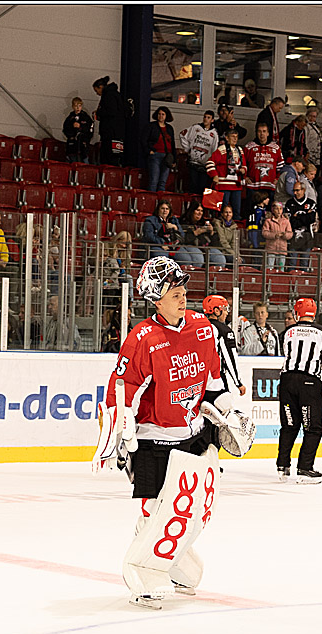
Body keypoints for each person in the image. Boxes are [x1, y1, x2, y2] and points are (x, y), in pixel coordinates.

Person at [91, 256, 230, 609]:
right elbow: (120, 393)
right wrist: (115, 438)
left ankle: (175, 562)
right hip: (154, 440)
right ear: (156, 298)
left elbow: (214, 384)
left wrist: (231, 414)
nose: (182, 298)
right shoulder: (142, 339)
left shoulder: (203, 328)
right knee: (158, 509)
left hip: (196, 434)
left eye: (183, 291)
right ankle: (143, 570)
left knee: (197, 509)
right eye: (174, 293)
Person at [276, 298, 322, 484]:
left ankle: (282, 466)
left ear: (297, 312)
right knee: (313, 427)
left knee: (289, 426)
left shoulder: (288, 332)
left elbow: (284, 353)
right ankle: (305, 468)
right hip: (309, 382)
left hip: (287, 380)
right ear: (314, 312)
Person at [202, 294, 247, 398]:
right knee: (222, 411)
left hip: (198, 381)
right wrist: (238, 382)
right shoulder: (223, 330)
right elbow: (230, 357)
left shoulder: (197, 327)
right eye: (225, 309)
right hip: (216, 380)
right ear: (217, 311)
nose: (227, 312)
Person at [143, 200, 198, 268]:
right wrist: (162, 243)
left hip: (173, 246)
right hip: (157, 245)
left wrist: (175, 227)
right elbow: (149, 236)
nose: (165, 211)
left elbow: (182, 235)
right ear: (158, 210)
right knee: (163, 260)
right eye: (162, 208)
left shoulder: (173, 220)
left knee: (187, 260)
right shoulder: (150, 220)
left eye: (167, 209)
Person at [206, 129, 246, 219]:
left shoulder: (240, 150)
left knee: (236, 212)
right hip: (224, 185)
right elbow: (209, 163)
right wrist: (214, 175)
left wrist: (243, 170)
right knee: (223, 212)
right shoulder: (221, 149)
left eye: (236, 137)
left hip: (236, 185)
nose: (235, 139)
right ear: (227, 138)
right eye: (232, 137)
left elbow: (244, 165)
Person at [178, 110, 218, 196]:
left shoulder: (214, 134)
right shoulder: (196, 127)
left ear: (212, 120)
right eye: (205, 117)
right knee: (192, 186)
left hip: (205, 165)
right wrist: (187, 148)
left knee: (202, 188)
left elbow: (214, 149)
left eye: (208, 118)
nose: (206, 119)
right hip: (193, 163)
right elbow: (182, 135)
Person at [244, 122, 283, 201]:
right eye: (259, 131)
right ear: (256, 133)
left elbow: (281, 165)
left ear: (268, 133)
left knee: (269, 211)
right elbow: (242, 164)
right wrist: (245, 178)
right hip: (253, 186)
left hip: (270, 186)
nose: (262, 134)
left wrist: (277, 178)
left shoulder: (276, 148)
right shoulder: (248, 147)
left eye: (264, 131)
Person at [92, 76, 126, 166]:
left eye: (96, 91)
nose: (97, 94)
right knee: (115, 156)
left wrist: (99, 112)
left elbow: (111, 111)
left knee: (108, 158)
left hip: (110, 132)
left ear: (101, 87)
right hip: (117, 132)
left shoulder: (108, 96)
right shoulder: (116, 94)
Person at [181, 202, 226, 268]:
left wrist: (212, 233)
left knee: (220, 259)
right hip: (190, 246)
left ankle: (213, 277)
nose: (200, 213)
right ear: (192, 211)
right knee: (199, 259)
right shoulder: (184, 222)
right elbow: (183, 239)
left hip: (205, 247)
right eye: (197, 210)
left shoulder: (204, 223)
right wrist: (196, 233)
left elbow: (216, 244)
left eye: (201, 211)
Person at [146, 106, 177, 193]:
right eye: (159, 114)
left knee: (163, 182)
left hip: (167, 157)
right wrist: (149, 151)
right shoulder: (151, 126)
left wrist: (174, 159)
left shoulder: (169, 128)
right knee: (154, 180)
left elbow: (172, 144)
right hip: (155, 155)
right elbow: (144, 140)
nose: (161, 116)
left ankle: (160, 201)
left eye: (163, 114)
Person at [286, 182, 316, 270]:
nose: (295, 193)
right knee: (292, 264)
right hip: (293, 239)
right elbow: (292, 222)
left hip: (307, 238)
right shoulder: (289, 203)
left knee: (304, 264)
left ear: (303, 190)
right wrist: (305, 217)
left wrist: (297, 217)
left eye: (297, 190)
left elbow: (311, 219)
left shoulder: (311, 203)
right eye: (294, 190)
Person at [261, 200, 293, 270]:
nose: (279, 211)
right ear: (272, 210)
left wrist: (285, 235)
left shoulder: (286, 221)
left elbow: (290, 233)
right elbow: (264, 232)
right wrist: (274, 235)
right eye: (276, 209)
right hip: (271, 249)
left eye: (280, 209)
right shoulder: (268, 221)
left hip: (282, 249)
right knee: (269, 268)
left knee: (281, 268)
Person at [62, 97, 94, 164]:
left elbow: (90, 129)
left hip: (83, 144)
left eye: (79, 106)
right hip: (72, 145)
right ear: (73, 106)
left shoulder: (86, 117)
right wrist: (72, 128)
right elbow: (65, 129)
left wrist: (81, 127)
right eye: (76, 106)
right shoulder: (70, 118)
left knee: (85, 160)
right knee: (72, 161)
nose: (77, 108)